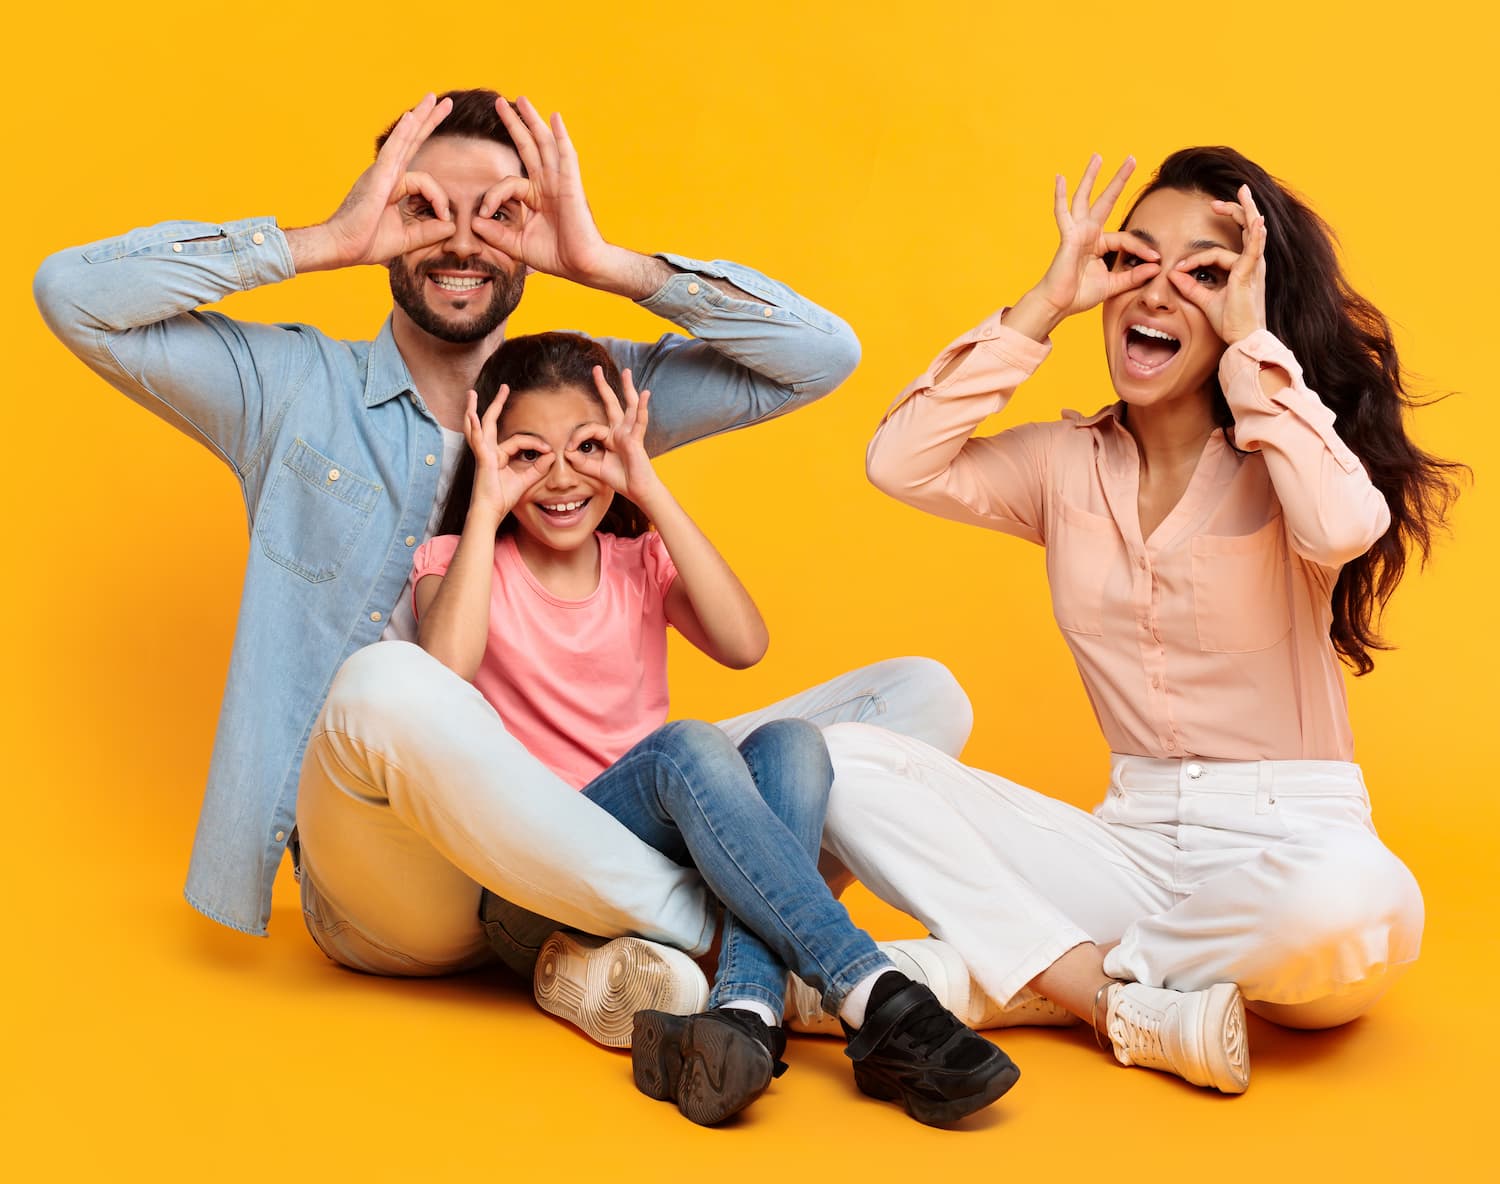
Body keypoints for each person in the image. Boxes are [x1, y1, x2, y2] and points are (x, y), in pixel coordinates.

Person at [32, 90, 972, 1024]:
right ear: (385, 209)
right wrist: (330, 238)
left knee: (920, 697)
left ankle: (604, 954)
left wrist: (603, 265)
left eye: (501, 212)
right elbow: (71, 295)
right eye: (423, 206)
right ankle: (759, 936)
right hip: (398, 879)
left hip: (590, 821)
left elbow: (822, 353)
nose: (461, 241)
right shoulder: (291, 390)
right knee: (388, 684)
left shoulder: (591, 397)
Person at [819, 147, 1464, 1093]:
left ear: (1248, 302)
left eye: (1204, 273)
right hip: (1125, 843)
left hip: (1286, 847)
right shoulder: (1061, 467)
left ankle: (1024, 975)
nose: (1157, 293)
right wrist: (1043, 304)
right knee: (838, 759)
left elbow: (1346, 522)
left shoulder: (1283, 463)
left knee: (1365, 903)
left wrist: (1252, 353)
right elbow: (899, 461)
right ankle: (1112, 997)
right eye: (1135, 259)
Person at [396, 329, 1017, 1125]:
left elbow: (744, 645)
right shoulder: (455, 560)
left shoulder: (636, 560)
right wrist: (485, 503)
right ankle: (871, 988)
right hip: (535, 876)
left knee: (792, 745)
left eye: (588, 447)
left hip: (652, 855)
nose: (560, 477)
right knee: (689, 746)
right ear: (488, 451)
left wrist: (648, 490)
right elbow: (442, 671)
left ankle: (746, 1016)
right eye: (525, 454)